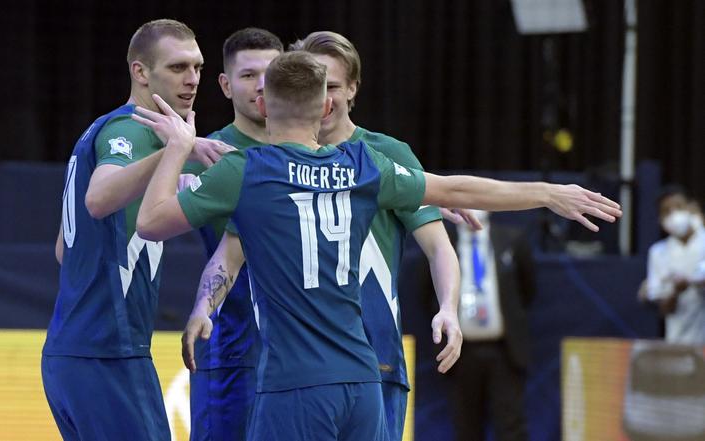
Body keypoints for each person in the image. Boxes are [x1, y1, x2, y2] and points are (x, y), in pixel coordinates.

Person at [132, 52, 621, 440]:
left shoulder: (245, 171)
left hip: (294, 384)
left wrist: (178, 148)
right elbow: (454, 188)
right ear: (325, 106)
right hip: (364, 381)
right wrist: (547, 193)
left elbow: (152, 223)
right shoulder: (363, 166)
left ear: (263, 104)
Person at [43, 19, 232, 441]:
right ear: (140, 72)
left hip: (74, 354)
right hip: (106, 353)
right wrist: (176, 150)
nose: (193, 79)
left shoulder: (106, 128)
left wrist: (179, 153)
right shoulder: (130, 130)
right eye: (178, 67)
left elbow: (63, 249)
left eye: (198, 67)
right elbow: (98, 197)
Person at [287, 31, 465, 440]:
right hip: (297, 368)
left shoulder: (387, 154)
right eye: (314, 87)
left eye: (332, 86)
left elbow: (439, 247)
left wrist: (449, 308)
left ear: (353, 88)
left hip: (375, 359)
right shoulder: (277, 159)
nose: (324, 99)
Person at [181, 27, 283, 441]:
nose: (261, 85)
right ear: (224, 85)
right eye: (247, 75)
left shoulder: (313, 152)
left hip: (300, 353)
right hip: (230, 350)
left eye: (272, 73)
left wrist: (424, 200)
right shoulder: (205, 156)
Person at [441, 210, 535, 441]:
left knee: (510, 426)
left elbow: (528, 289)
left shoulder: (512, 239)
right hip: (461, 354)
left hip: (504, 350)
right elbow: (427, 293)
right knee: (466, 427)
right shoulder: (443, 244)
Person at [645, 187, 705, 345]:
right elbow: (664, 309)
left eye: (679, 207)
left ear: (692, 207)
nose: (674, 215)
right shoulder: (658, 252)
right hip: (679, 344)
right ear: (660, 219)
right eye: (666, 211)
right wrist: (676, 291)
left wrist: (695, 282)